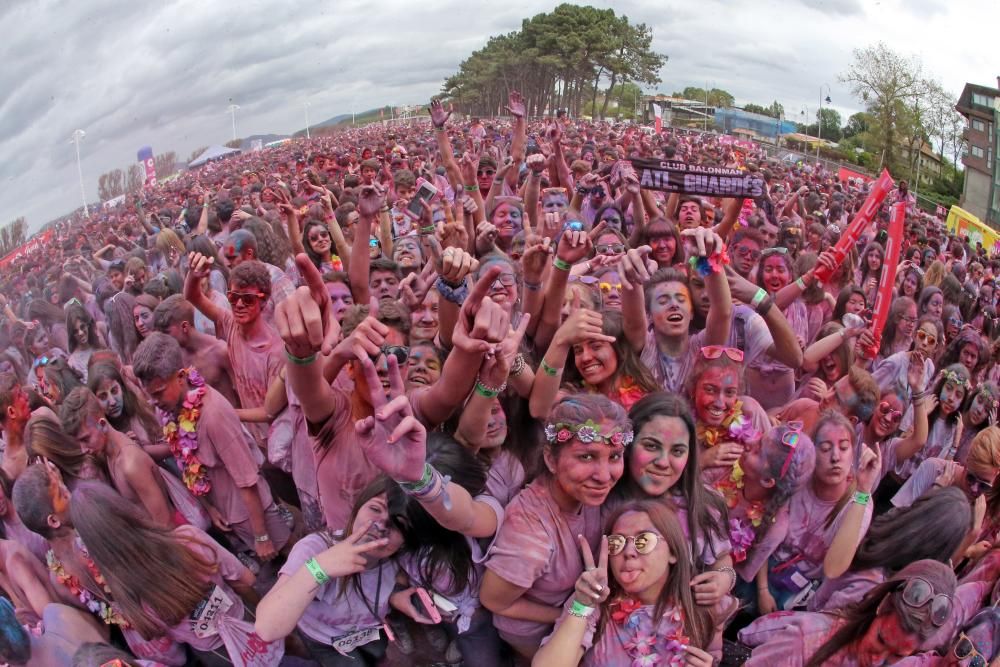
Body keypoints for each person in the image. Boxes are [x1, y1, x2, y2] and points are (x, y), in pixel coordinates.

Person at [482, 394, 629, 658]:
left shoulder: (589, 494)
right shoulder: (530, 538)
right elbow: (495, 601)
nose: (604, 476)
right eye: (586, 457)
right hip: (533, 631)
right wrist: (576, 612)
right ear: (551, 460)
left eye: (615, 456)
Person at [132, 333, 290, 561]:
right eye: (150, 396)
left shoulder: (214, 415)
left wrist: (262, 536)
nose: (154, 401)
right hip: (227, 512)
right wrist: (210, 508)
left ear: (180, 376)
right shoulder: (169, 409)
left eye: (158, 393)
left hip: (252, 512)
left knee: (289, 551)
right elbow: (186, 460)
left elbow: (247, 479)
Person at [533, 501, 716, 667]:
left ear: (673, 552)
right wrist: (582, 606)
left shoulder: (700, 609)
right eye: (616, 543)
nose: (628, 551)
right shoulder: (593, 601)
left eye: (644, 540)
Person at [740, 560, 958, 666]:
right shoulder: (807, 639)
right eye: (880, 640)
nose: (877, 660)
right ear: (882, 605)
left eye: (897, 655)